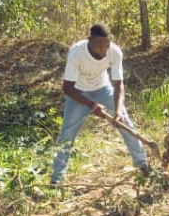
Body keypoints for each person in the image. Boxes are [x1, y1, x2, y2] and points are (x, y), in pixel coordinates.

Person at [50, 23, 149, 185]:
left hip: (104, 89)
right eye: (99, 46)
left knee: (126, 123)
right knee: (67, 135)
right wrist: (92, 105)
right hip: (78, 93)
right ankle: (56, 179)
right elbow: (67, 88)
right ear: (90, 40)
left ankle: (143, 165)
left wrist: (117, 111)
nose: (103, 50)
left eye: (106, 45)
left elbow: (118, 85)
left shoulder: (115, 52)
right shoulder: (77, 52)